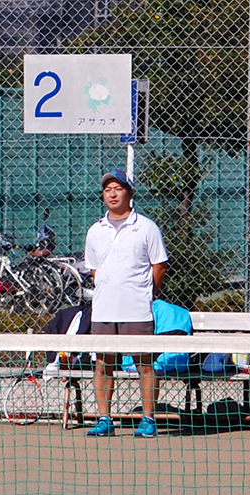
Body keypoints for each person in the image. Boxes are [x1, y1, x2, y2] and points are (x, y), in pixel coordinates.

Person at [83, 169, 168, 438]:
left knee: (144, 364)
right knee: (103, 364)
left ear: (129, 194)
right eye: (107, 189)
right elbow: (95, 269)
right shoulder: (95, 231)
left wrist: (144, 292)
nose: (112, 193)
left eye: (118, 188)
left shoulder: (147, 227)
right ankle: (104, 419)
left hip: (137, 310)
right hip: (104, 311)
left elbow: (160, 265)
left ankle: (148, 419)